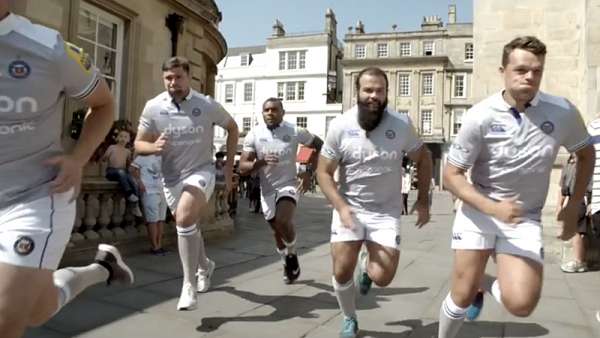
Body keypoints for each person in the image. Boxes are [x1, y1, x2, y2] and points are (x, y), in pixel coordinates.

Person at [438, 36, 594, 338]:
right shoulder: (479, 116)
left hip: (524, 216)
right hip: (479, 212)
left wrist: (574, 205)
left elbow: (586, 153)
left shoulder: (562, 111)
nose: (530, 77)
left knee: (522, 304)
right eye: (521, 69)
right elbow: (451, 174)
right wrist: (491, 207)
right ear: (503, 71)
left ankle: (481, 281)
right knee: (460, 297)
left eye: (537, 71)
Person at [0, 6, 134, 338]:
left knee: (4, 316)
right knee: (37, 309)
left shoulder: (49, 47)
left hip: (35, 197)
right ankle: (102, 269)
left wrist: (78, 158)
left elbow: (103, 105)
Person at [316, 67, 432, 338]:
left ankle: (368, 269)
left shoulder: (401, 124)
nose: (374, 96)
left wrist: (423, 200)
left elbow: (423, 158)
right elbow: (323, 171)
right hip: (350, 209)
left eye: (380, 91)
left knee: (383, 277)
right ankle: (349, 318)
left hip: (385, 213)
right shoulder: (340, 126)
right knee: (342, 270)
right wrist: (340, 206)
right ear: (356, 92)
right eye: (368, 90)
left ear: (387, 94)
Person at [134, 56, 239, 311]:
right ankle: (204, 266)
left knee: (183, 218)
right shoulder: (153, 107)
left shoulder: (206, 104)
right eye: (168, 78)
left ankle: (188, 285)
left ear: (189, 76)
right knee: (188, 225)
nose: (173, 82)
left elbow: (233, 128)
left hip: (201, 171)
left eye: (178, 77)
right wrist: (153, 146)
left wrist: (226, 169)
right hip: (170, 178)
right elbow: (138, 144)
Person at [239, 98, 323, 284]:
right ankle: (287, 259)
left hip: (289, 184)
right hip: (267, 189)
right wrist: (260, 162)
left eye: (274, 109)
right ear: (262, 113)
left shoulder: (294, 131)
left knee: (283, 220)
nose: (270, 113)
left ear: (282, 112)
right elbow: (242, 167)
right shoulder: (254, 134)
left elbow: (319, 145)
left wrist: (308, 172)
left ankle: (291, 252)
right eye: (266, 110)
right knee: (277, 232)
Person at [557, 154, 591, 273]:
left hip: (584, 199)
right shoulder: (569, 165)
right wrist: (559, 205)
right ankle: (580, 260)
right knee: (578, 230)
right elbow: (563, 187)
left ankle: (579, 261)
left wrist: (591, 202)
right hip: (573, 199)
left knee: (576, 229)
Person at [131, 154, 168, 255]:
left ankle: (159, 245)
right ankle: (154, 247)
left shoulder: (165, 157)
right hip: (149, 191)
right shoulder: (144, 156)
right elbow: (133, 169)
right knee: (152, 220)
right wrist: (139, 182)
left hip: (163, 191)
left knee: (161, 220)